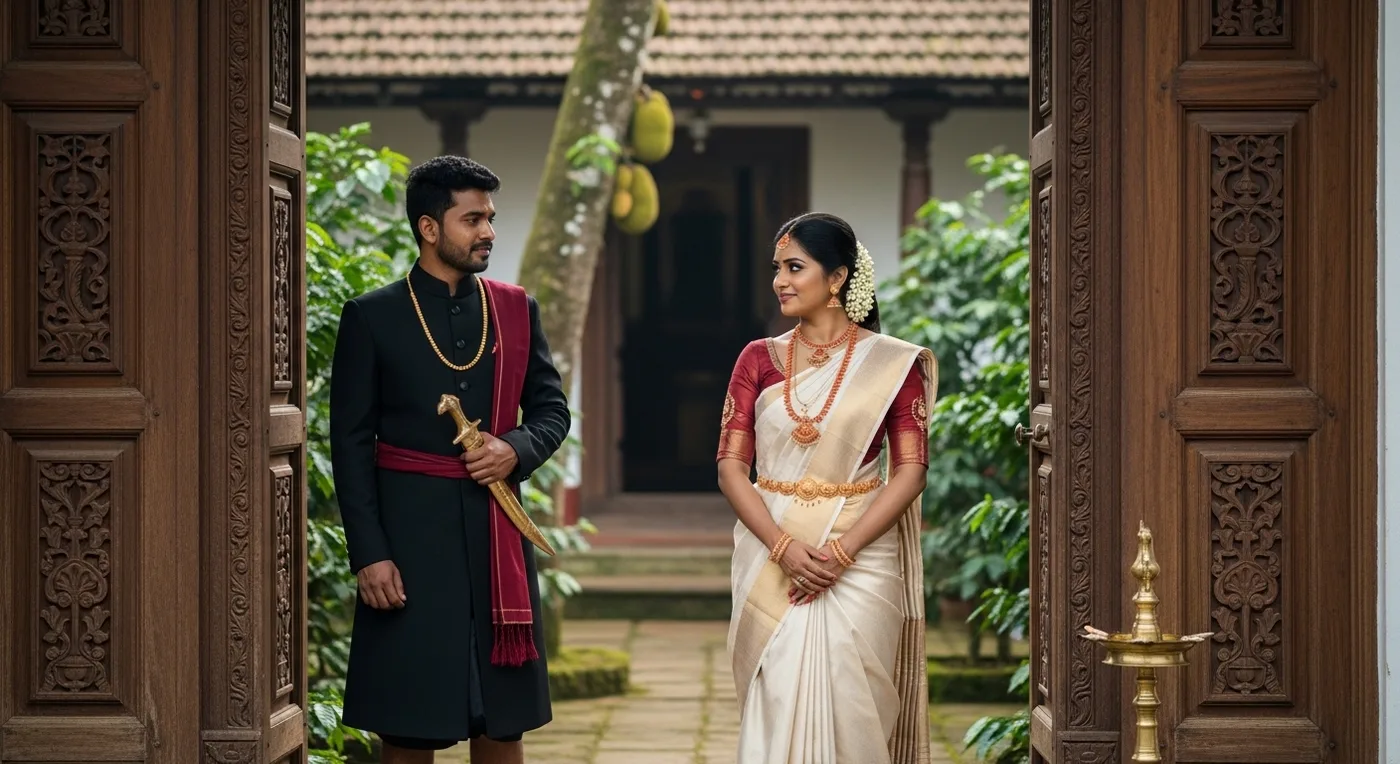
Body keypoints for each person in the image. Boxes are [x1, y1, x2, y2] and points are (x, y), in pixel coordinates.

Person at [329, 156, 570, 764]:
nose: (488, 230)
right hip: (408, 547)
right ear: (429, 228)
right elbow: (351, 445)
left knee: (501, 723)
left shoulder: (516, 309)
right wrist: (370, 553)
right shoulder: (372, 316)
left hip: (497, 541)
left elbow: (551, 412)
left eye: (490, 217)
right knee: (409, 726)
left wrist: (512, 449)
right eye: (473, 219)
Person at [718, 212, 936, 763]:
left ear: (836, 278)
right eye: (777, 269)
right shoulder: (757, 358)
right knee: (779, 682)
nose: (780, 281)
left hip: (862, 554)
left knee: (849, 683)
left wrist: (842, 550)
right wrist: (784, 546)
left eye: (795, 267)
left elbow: (910, 470)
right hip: (773, 546)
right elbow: (729, 467)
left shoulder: (892, 363)